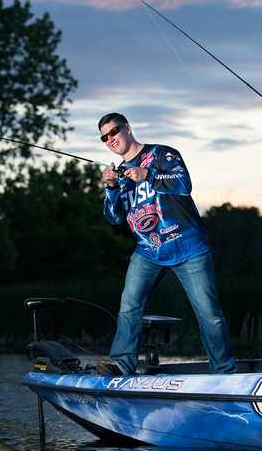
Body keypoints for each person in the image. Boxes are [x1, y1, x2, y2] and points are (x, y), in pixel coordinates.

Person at [95, 113, 236, 376]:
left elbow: (184, 185)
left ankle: (225, 373)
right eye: (105, 137)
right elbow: (113, 218)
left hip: (187, 246)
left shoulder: (162, 154)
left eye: (114, 132)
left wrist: (146, 174)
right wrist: (111, 187)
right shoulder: (120, 175)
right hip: (148, 250)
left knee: (209, 314)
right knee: (129, 305)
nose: (110, 139)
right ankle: (122, 364)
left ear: (128, 128)